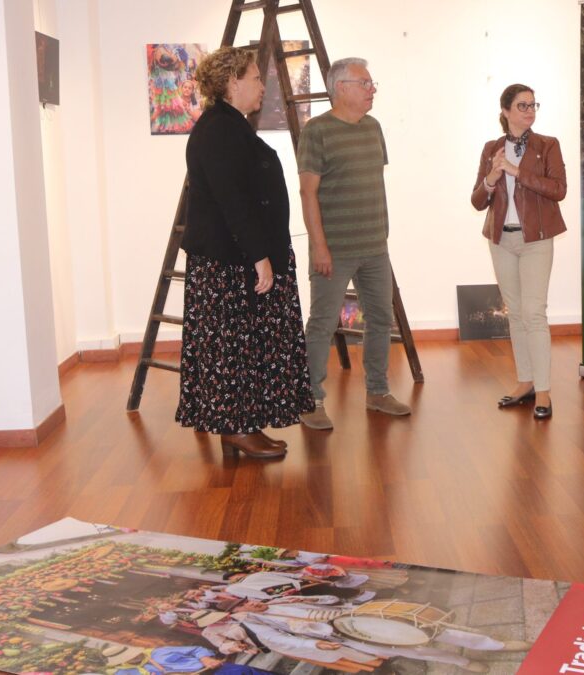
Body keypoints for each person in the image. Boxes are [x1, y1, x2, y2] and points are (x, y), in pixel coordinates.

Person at [176, 47, 315, 459]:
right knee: (230, 347)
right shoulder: (220, 129)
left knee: (241, 346)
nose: (262, 85)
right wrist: (259, 255)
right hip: (228, 262)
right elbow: (232, 200)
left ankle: (243, 424)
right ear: (233, 82)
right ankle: (236, 427)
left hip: (233, 259)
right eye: (256, 78)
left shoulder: (229, 125)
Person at [297, 57, 412, 431]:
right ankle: (311, 398)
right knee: (322, 323)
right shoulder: (317, 131)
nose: (372, 89)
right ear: (341, 87)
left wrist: (382, 233)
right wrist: (319, 246)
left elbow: (371, 182)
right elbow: (308, 192)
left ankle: (377, 392)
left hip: (375, 245)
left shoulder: (373, 128)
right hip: (335, 248)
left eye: (371, 83)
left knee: (381, 318)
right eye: (365, 83)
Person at [470, 84, 567, 420]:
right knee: (516, 312)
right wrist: (492, 178)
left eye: (533, 104)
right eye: (522, 105)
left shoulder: (547, 145)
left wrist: (517, 173)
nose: (529, 110)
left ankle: (543, 390)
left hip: (536, 239)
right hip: (502, 240)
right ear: (506, 111)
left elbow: (558, 190)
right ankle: (525, 381)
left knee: (534, 312)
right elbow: (477, 200)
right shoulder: (491, 149)